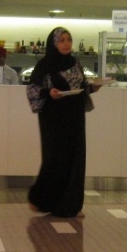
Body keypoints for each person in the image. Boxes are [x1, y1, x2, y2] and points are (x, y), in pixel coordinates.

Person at [25, 27, 100, 218]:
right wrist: (48, 92)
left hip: (75, 116)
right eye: (62, 40)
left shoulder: (75, 62)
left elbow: (81, 87)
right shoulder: (45, 64)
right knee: (55, 158)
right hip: (53, 117)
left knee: (75, 158)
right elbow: (32, 89)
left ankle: (71, 205)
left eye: (69, 39)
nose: (66, 43)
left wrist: (93, 87)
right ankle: (41, 199)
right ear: (54, 43)